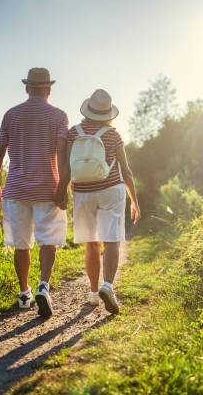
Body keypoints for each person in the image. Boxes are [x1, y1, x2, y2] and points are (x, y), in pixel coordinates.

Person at [0, 67, 69, 318]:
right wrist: (63, 186)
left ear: (27, 88)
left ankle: (24, 293)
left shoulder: (11, 115)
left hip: (15, 188)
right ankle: (43, 286)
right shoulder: (59, 116)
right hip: (48, 188)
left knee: (21, 244)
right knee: (49, 241)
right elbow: (62, 152)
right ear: (48, 89)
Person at [55, 89, 140, 314]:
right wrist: (134, 201)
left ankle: (93, 293)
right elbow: (127, 170)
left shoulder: (74, 133)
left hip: (83, 192)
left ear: (88, 110)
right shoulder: (113, 135)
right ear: (108, 114)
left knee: (91, 244)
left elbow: (64, 167)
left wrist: (61, 190)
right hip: (111, 189)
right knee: (111, 240)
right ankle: (108, 285)